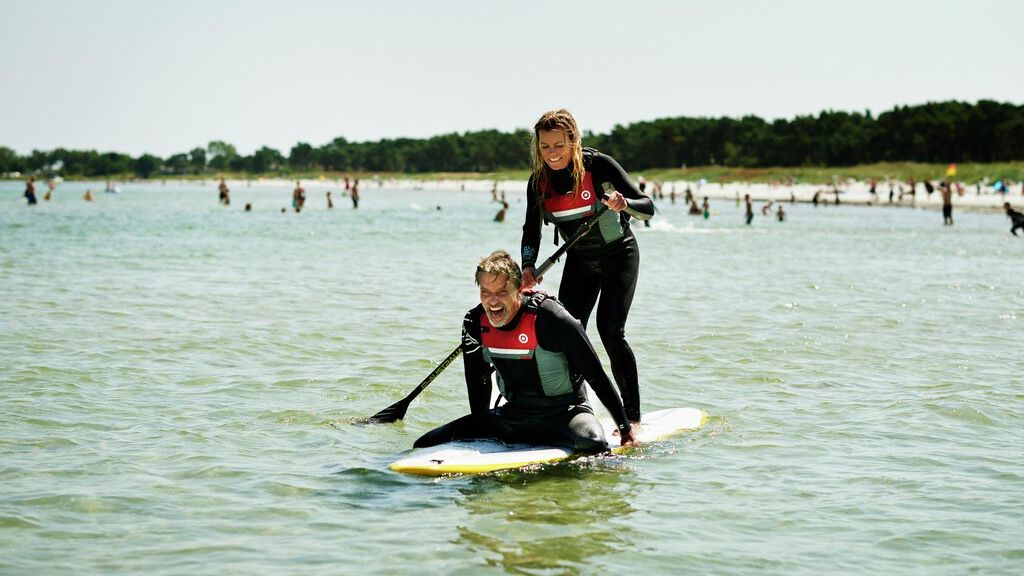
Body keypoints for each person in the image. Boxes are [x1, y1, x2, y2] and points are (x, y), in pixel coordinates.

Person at [413, 251, 638, 452]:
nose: (492, 302)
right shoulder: (474, 323)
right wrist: (480, 432)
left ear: (520, 289)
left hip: (566, 414)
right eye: (485, 292)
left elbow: (597, 377)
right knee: (425, 443)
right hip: (513, 415)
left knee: (592, 442)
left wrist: (625, 429)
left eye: (502, 292)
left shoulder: (552, 318)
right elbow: (477, 379)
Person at [519, 109, 654, 426]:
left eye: (559, 145)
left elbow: (648, 208)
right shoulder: (538, 183)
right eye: (545, 146)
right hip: (580, 261)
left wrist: (626, 204)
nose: (552, 153)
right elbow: (531, 230)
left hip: (619, 255)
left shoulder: (599, 166)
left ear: (573, 141)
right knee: (568, 335)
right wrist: (527, 266)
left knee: (611, 332)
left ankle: (632, 419)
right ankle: (574, 411)